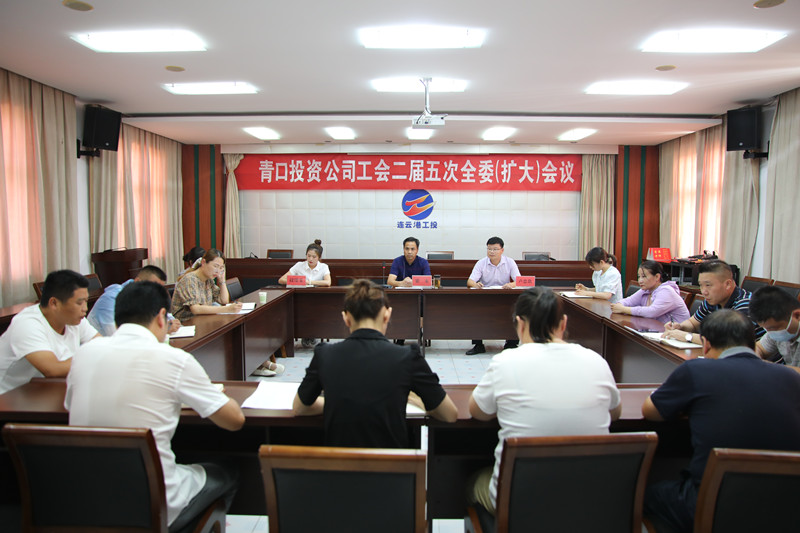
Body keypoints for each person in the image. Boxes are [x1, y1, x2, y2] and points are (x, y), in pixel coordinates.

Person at [66, 281, 245, 532]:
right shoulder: (173, 358)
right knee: (229, 470)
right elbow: (234, 421)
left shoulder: (84, 354)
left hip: (87, 500)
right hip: (152, 503)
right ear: (162, 317)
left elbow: (69, 405)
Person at [641, 309, 800, 533]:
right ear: (752, 343)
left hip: (712, 504)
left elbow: (651, 411)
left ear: (705, 345)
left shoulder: (696, 370)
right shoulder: (791, 378)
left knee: (642, 493)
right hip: (784, 507)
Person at [467, 287, 621, 515]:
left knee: (472, 480)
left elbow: (477, 411)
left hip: (520, 503)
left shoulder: (505, 362)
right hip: (589, 501)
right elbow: (615, 413)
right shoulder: (596, 361)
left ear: (519, 324)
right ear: (563, 323)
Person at [293, 279, 458, 448]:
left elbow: (300, 407)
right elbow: (449, 414)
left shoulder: (324, 354)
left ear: (346, 318)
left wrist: (337, 403)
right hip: (393, 463)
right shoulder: (408, 356)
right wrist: (409, 400)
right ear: (387, 315)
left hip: (339, 464)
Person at [0, 270, 100, 394]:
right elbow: (53, 370)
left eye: (86, 301)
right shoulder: (27, 324)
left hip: (45, 390)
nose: (85, 308)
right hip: (9, 397)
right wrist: (94, 357)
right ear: (54, 303)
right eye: (79, 303)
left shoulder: (75, 318)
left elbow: (102, 344)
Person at [662, 260, 765, 345]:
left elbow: (727, 341)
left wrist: (687, 336)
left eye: (708, 285)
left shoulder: (746, 304)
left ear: (728, 284)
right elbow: (693, 323)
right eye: (701, 285)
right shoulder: (712, 300)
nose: (704, 291)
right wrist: (679, 327)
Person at [87, 265, 181, 336]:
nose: (156, 292)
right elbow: (117, 335)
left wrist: (170, 323)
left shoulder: (147, 295)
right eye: (153, 286)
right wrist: (163, 328)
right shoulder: (111, 298)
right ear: (137, 282)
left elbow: (167, 318)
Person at [465, 236, 520, 355]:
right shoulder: (481, 263)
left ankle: (511, 344)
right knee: (475, 311)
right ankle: (478, 345)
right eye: (489, 249)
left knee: (514, 310)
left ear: (502, 250)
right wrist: (476, 284)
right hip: (485, 297)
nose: (491, 252)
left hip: (505, 296)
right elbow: (469, 282)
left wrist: (511, 284)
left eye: (495, 249)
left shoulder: (510, 262)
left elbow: (519, 281)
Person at [278, 239, 331, 349]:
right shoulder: (299, 265)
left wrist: (310, 282)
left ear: (319, 257)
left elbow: (327, 282)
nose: (310, 259)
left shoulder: (323, 267)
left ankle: (312, 333)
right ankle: (305, 334)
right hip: (300, 298)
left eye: (314, 257)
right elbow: (281, 280)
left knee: (315, 309)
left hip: (317, 299)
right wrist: (298, 281)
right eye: (308, 256)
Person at [171, 249, 242, 321]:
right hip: (186, 323)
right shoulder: (189, 279)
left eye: (221, 268)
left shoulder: (208, 280)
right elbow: (196, 309)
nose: (217, 271)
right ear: (203, 262)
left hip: (202, 320)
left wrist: (222, 281)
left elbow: (223, 300)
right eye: (215, 266)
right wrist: (226, 309)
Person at [610, 260, 690, 323]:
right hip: (656, 331)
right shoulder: (646, 290)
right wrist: (619, 305)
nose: (640, 281)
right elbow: (628, 300)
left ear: (657, 277)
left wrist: (624, 309)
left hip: (676, 334)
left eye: (644, 276)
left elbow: (652, 312)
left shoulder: (667, 291)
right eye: (639, 277)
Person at [749, 286, 800, 370]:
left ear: (797, 315)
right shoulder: (774, 330)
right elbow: (758, 348)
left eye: (774, 328)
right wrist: (757, 360)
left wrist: (771, 368)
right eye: (766, 328)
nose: (771, 332)